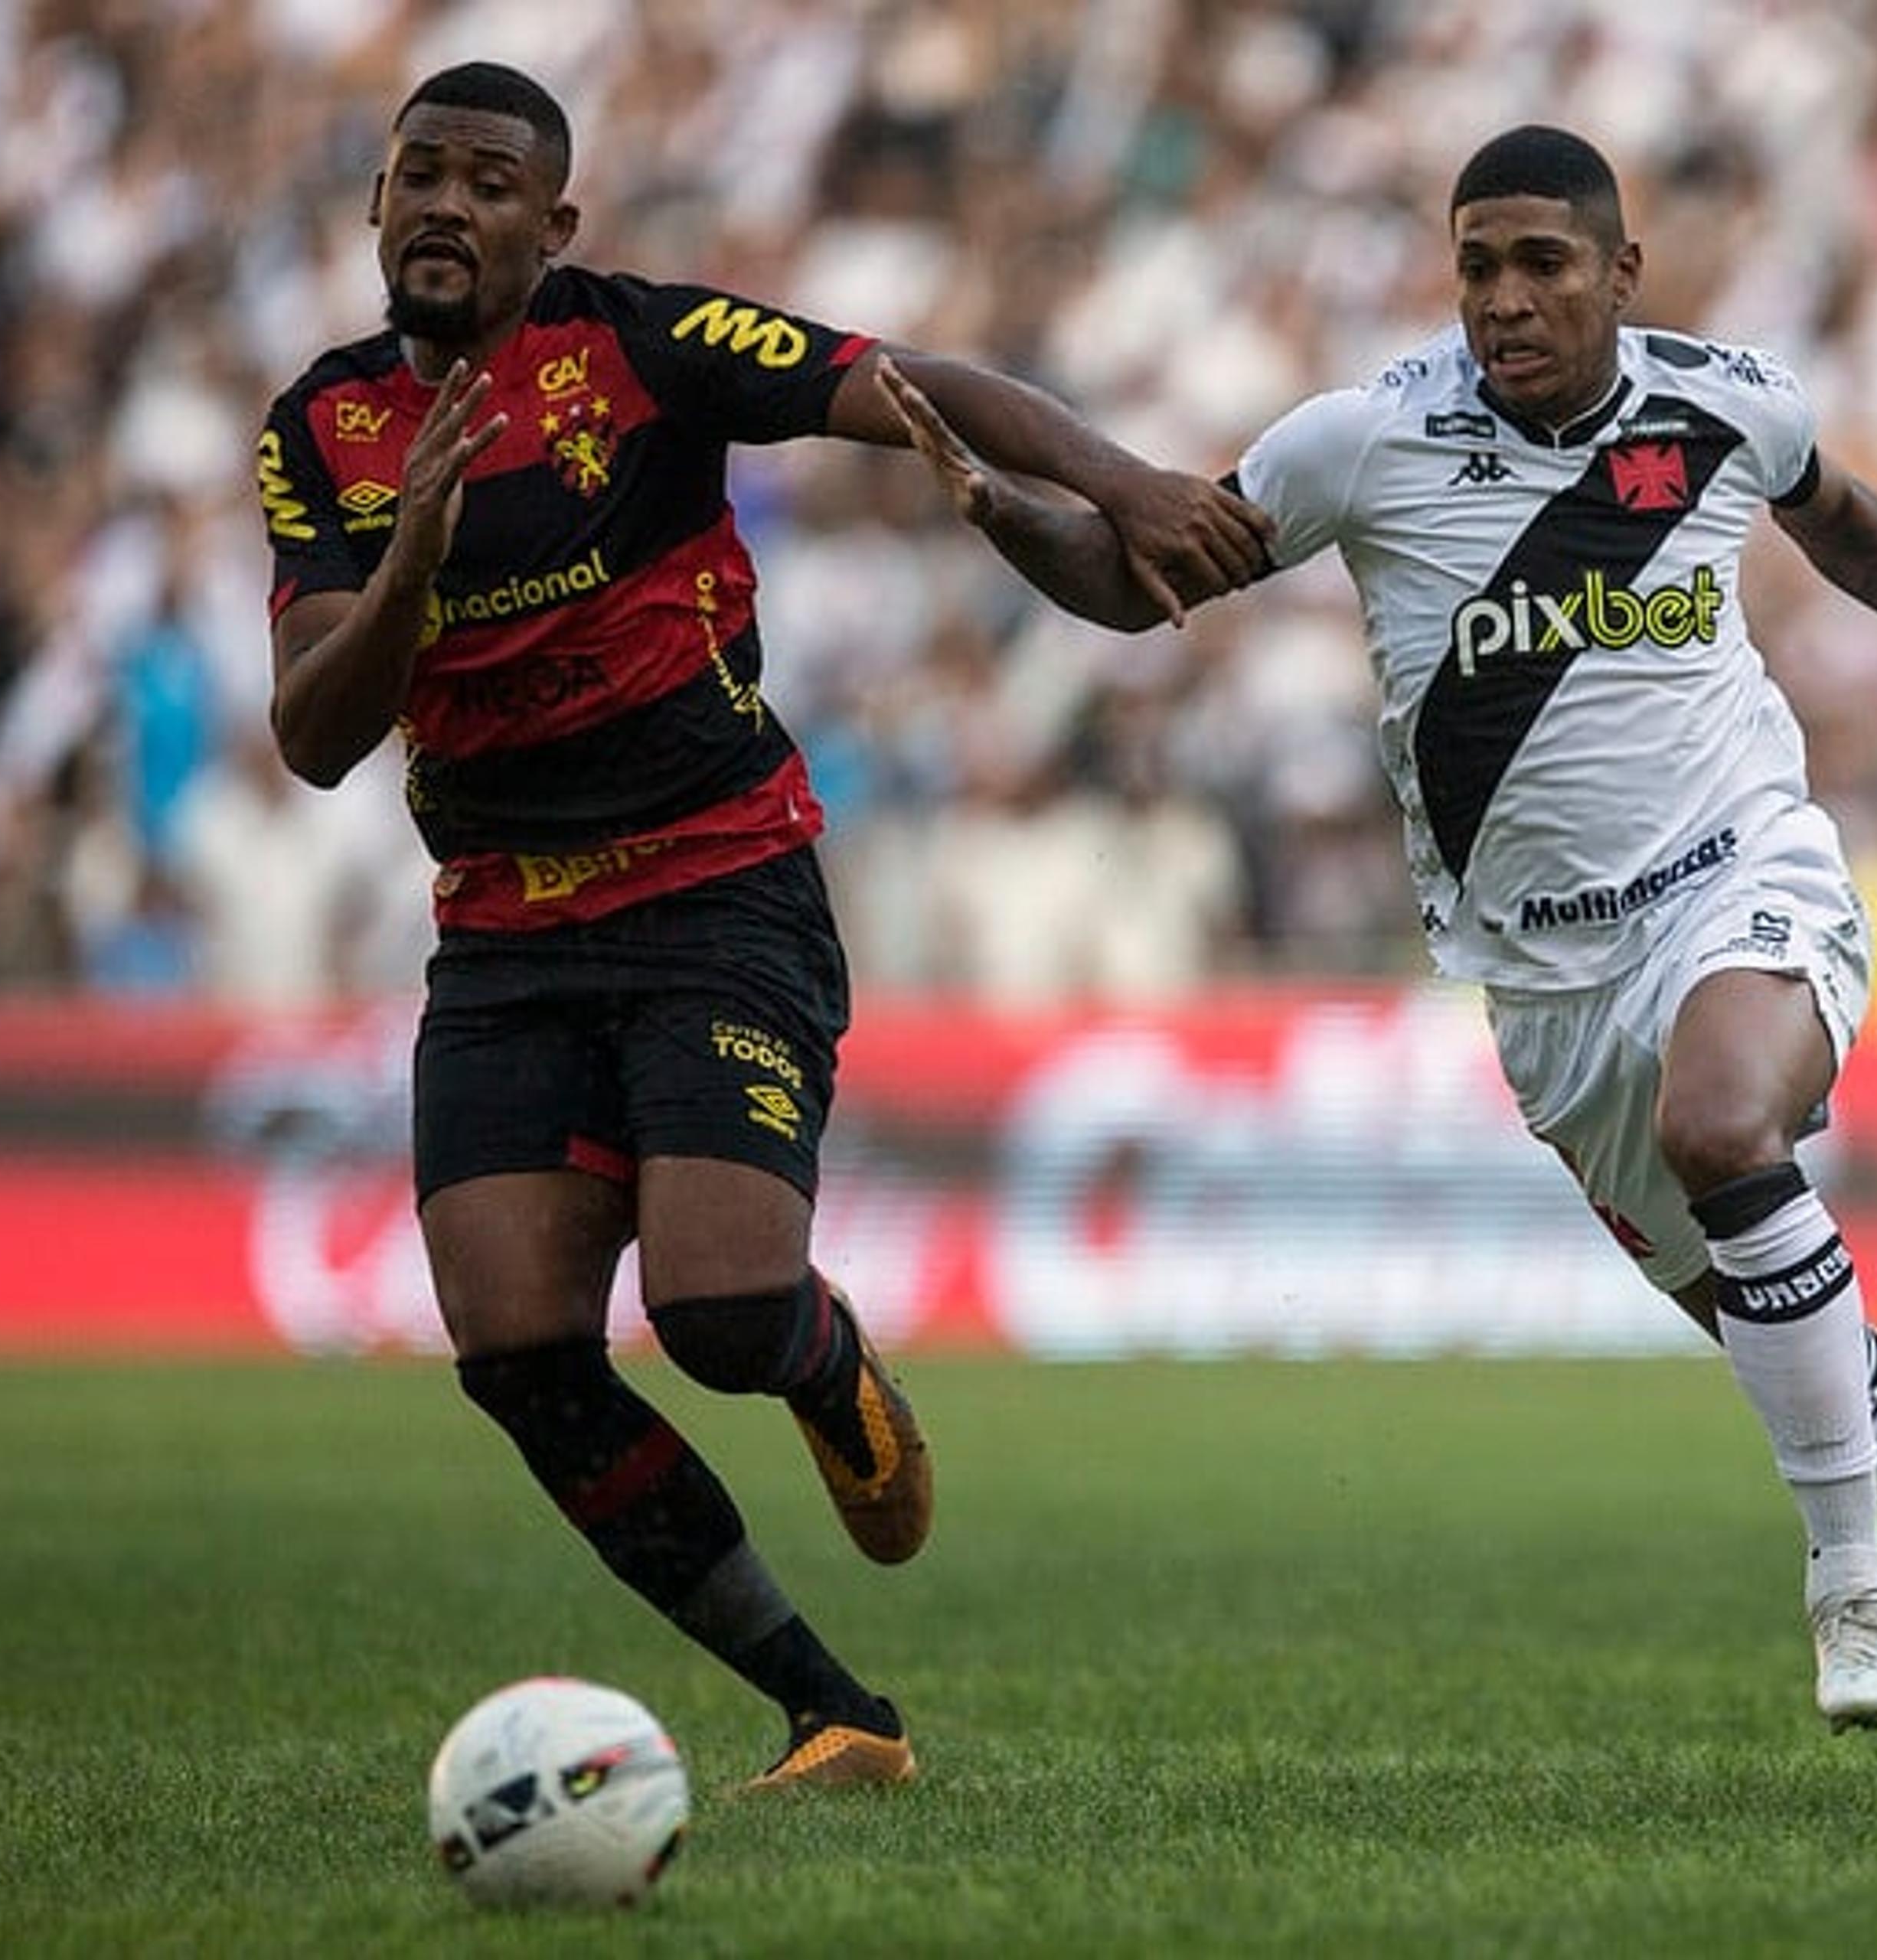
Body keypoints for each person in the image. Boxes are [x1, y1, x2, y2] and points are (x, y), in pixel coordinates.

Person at [878, 126, 1877, 1730]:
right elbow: (1135, 574)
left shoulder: (1721, 402)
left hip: (1740, 873)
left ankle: (1850, 1591)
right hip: (1543, 982)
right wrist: (994, 507)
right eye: (1476, 268)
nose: (1503, 302)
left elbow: (1840, 514)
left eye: (1541, 264)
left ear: (1621, 273)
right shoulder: (1358, 443)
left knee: (1730, 1128)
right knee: (1774, 1313)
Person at [256, 63, 1271, 1788]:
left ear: (551, 225)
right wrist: (412, 559)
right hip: (501, 932)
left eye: (490, 183)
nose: (445, 204)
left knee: (721, 1311)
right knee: (515, 1351)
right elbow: (314, 734)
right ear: (374, 206)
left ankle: (826, 1370)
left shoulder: (643, 350)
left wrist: (1127, 480)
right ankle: (833, 1711)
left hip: (718, 885)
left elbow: (904, 380)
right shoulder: (323, 428)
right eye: (417, 174)